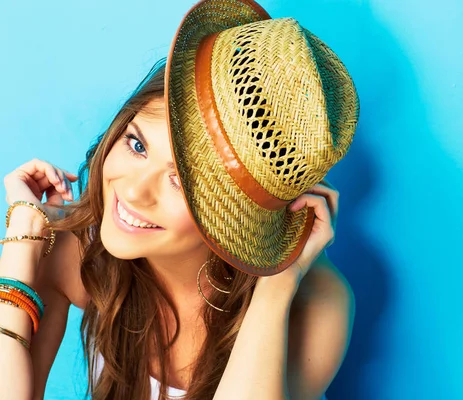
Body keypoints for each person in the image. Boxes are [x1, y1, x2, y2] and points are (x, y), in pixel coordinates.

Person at [0, 0, 359, 398]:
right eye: (137, 145)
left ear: (240, 216)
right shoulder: (80, 252)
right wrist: (23, 236)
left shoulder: (314, 305)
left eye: (180, 183)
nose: (133, 191)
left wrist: (276, 283)